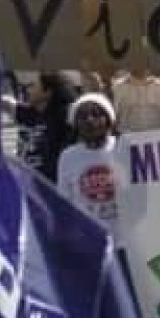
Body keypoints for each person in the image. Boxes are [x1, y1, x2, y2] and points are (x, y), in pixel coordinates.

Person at [56, 93, 121, 235]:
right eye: (83, 116)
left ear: (108, 119)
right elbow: (64, 203)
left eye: (96, 114)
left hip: (126, 241)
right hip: (89, 242)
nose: (90, 120)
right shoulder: (68, 156)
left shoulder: (123, 148)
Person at [4, 70, 77, 183]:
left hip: (50, 187)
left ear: (47, 92)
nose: (27, 90)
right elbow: (7, 104)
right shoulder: (29, 114)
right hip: (27, 185)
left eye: (32, 86)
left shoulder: (63, 118)